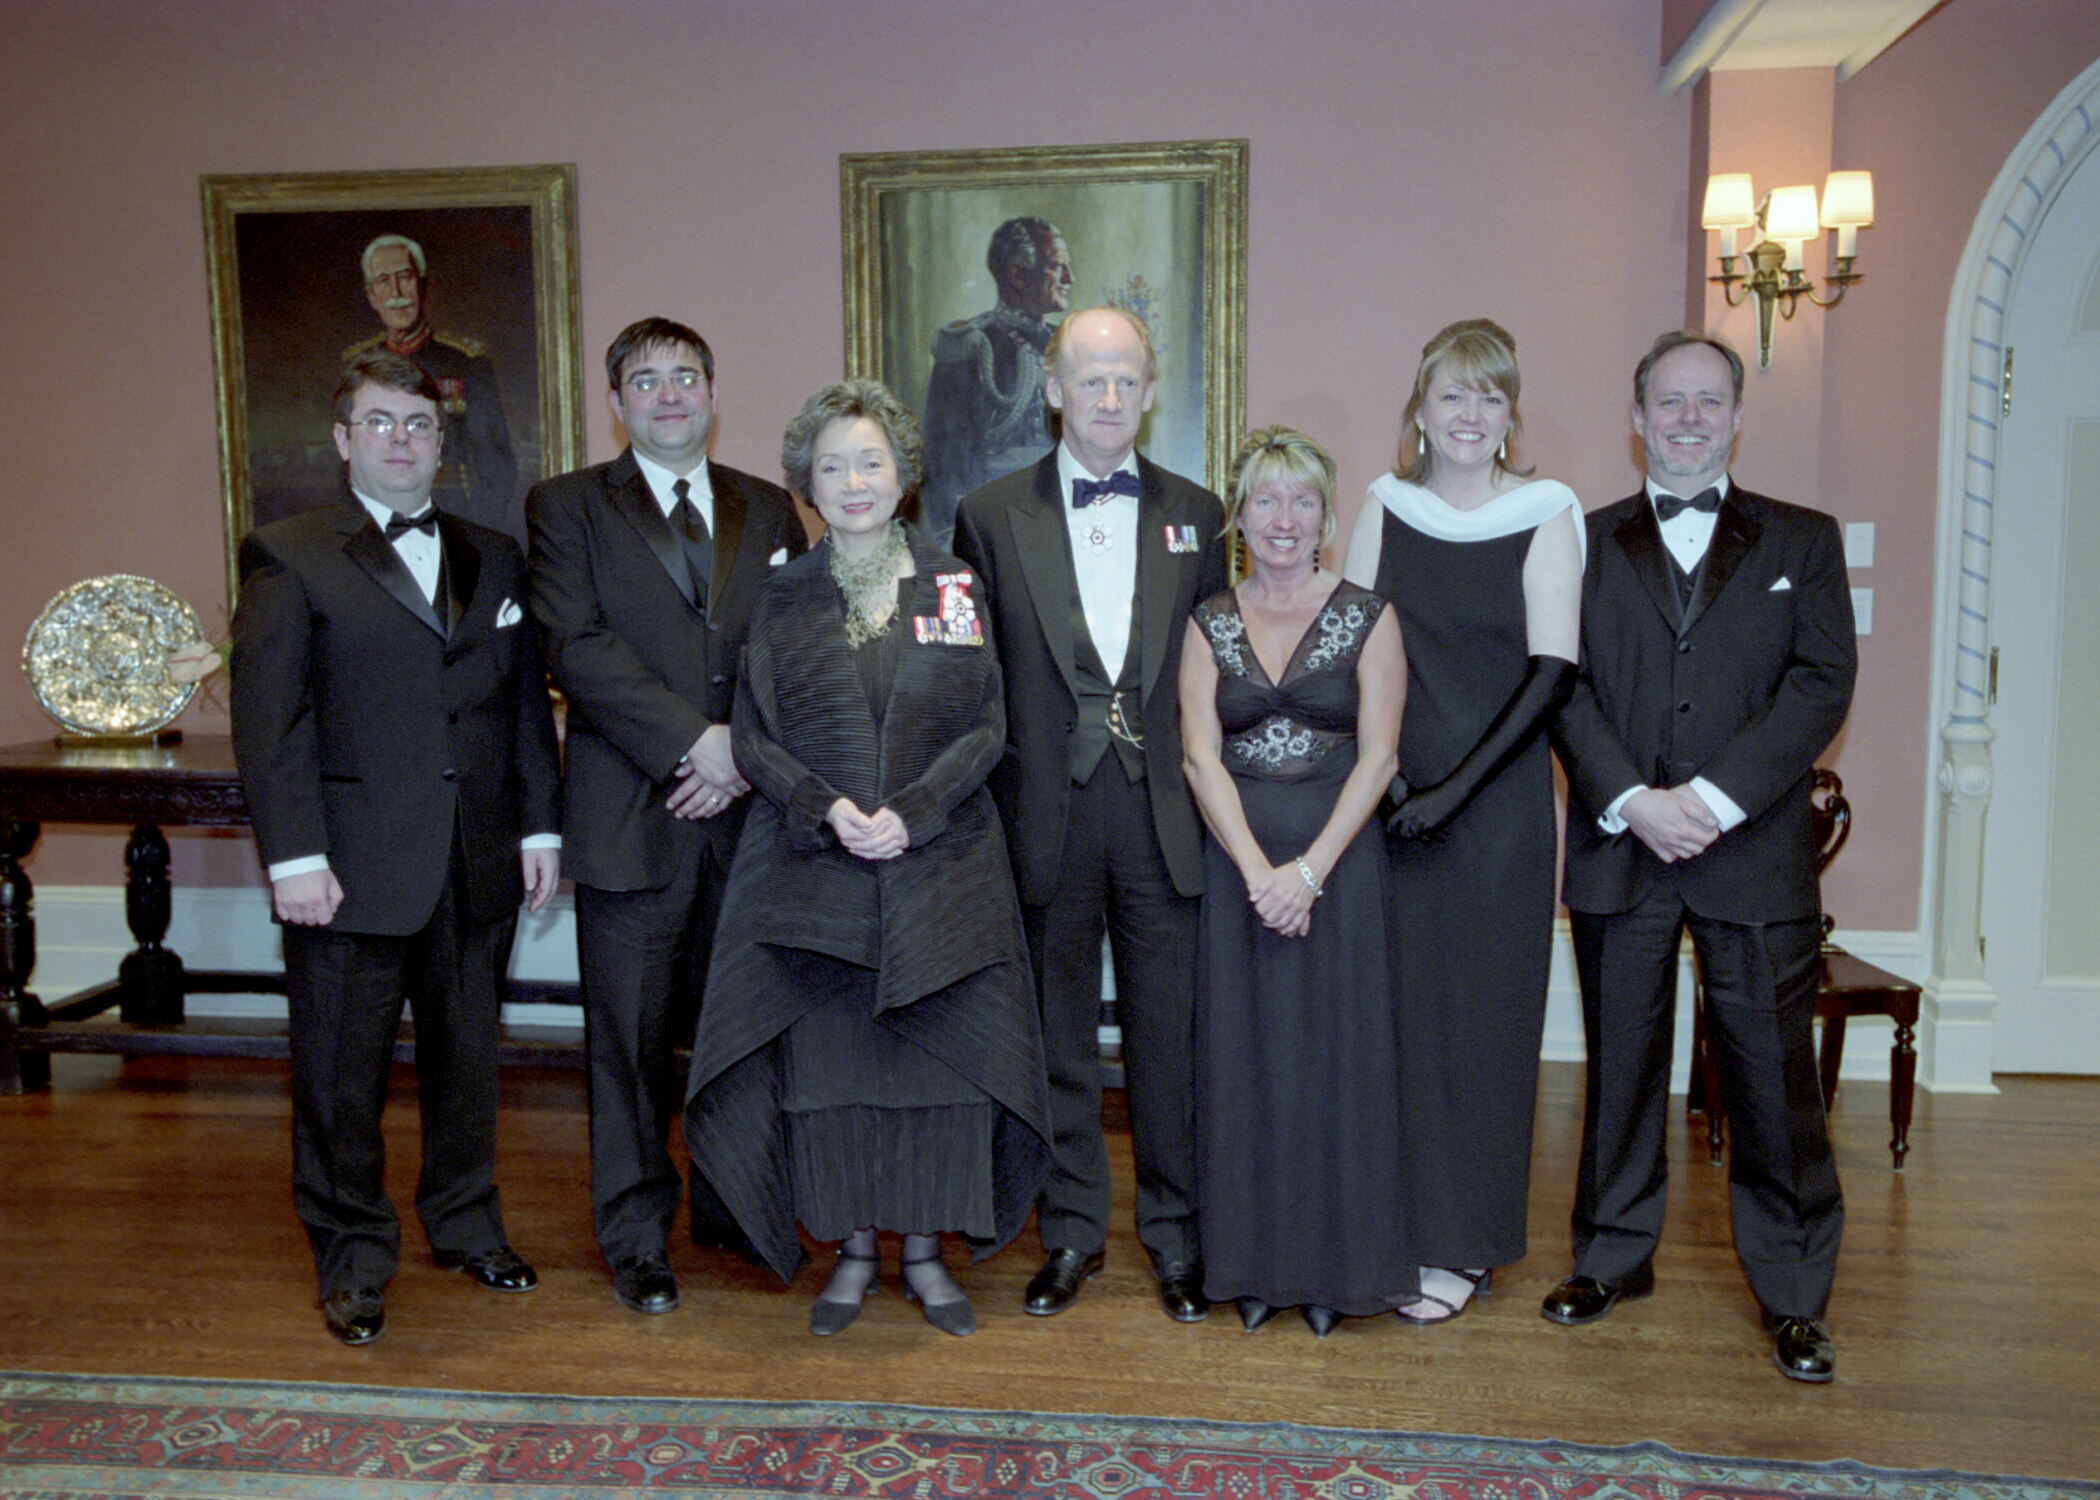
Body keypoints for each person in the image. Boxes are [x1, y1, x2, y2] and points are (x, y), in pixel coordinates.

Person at [682, 380, 1049, 1337]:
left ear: (904, 473)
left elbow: (986, 725)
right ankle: (849, 1250)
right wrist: (829, 806)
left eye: (872, 461)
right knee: (834, 1072)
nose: (854, 481)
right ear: (808, 479)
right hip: (818, 873)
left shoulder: (953, 585)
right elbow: (753, 737)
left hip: (943, 871)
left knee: (937, 1069)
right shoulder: (784, 595)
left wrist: (914, 811)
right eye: (834, 464)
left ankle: (925, 1254)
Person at [229, 350, 562, 1346]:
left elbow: (520, 710)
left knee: (468, 1064)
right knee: (341, 1077)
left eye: (419, 426)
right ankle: (352, 1257)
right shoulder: (290, 555)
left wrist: (539, 825)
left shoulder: (492, 555)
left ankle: (464, 1225)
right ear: (343, 441)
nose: (403, 441)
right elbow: (270, 725)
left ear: (440, 442)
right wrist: (294, 858)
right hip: (350, 870)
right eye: (381, 423)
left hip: (477, 860)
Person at [1545, 330, 1855, 1383]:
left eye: (1706, 400)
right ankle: (1612, 1256)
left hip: (1751, 853)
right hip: (1623, 848)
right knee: (1621, 1069)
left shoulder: (1802, 542)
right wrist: (1633, 799)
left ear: (1734, 416)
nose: (1686, 418)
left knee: (1773, 1082)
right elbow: (1562, 684)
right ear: (1636, 418)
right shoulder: (1579, 540)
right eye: (1667, 401)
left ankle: (1797, 1293)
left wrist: (1710, 804)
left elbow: (1820, 686)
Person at [953, 306, 1229, 1323]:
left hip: (1162, 814)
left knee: (1172, 1041)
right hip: (1042, 813)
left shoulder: (1200, 515)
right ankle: (1069, 1231)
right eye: (1089, 379)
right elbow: (971, 680)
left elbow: (1215, 676)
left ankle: (1177, 1237)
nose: (1109, 398)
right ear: (1054, 390)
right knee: (1055, 1037)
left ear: (1150, 392)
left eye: (1127, 380)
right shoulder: (988, 516)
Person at [526, 317, 806, 1316]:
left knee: (743, 1027)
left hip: (746, 819)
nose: (670, 394)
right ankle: (638, 1236)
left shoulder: (769, 508)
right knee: (629, 1041)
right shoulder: (566, 507)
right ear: (617, 401)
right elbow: (575, 644)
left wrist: (741, 753)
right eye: (647, 380)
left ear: (713, 388)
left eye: (687, 375)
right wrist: (700, 742)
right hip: (631, 812)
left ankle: (737, 1208)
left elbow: (791, 646)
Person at [1341, 318, 1582, 1324]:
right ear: (1421, 412)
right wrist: (1391, 782)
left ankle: (1467, 1245)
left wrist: (1452, 794)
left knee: (1481, 1034)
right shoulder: (1383, 507)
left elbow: (1551, 677)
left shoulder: (1546, 511)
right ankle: (1402, 1228)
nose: (1471, 414)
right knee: (1397, 1027)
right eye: (1453, 395)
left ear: (1509, 412)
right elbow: (1349, 650)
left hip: (1497, 819)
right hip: (1393, 811)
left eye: (1490, 396)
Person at [1181, 427, 1407, 1337]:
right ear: (1239, 514)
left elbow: (1382, 755)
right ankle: (1251, 1269)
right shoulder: (1208, 620)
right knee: (1245, 1071)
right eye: (1266, 499)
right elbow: (1200, 756)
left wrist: (1308, 873)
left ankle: (1333, 1272)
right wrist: (1257, 873)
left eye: (1303, 500)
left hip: (1340, 877)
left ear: (1327, 516)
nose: (1284, 518)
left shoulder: (1370, 613)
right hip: (1238, 877)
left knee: (1331, 1069)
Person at [347, 233, 520, 537]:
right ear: (372, 296)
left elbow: (495, 462)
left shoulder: (466, 361)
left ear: (423, 286)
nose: (396, 292)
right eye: (384, 281)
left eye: (405, 277)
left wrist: (477, 531)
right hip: (377, 523)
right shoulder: (358, 365)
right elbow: (346, 465)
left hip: (455, 514)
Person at [920, 216, 1073, 546]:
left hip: (1061, 526)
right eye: (1057, 266)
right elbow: (944, 461)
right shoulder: (968, 347)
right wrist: (957, 542)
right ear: (1018, 274)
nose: (1069, 278)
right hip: (991, 528)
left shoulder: (1067, 346)